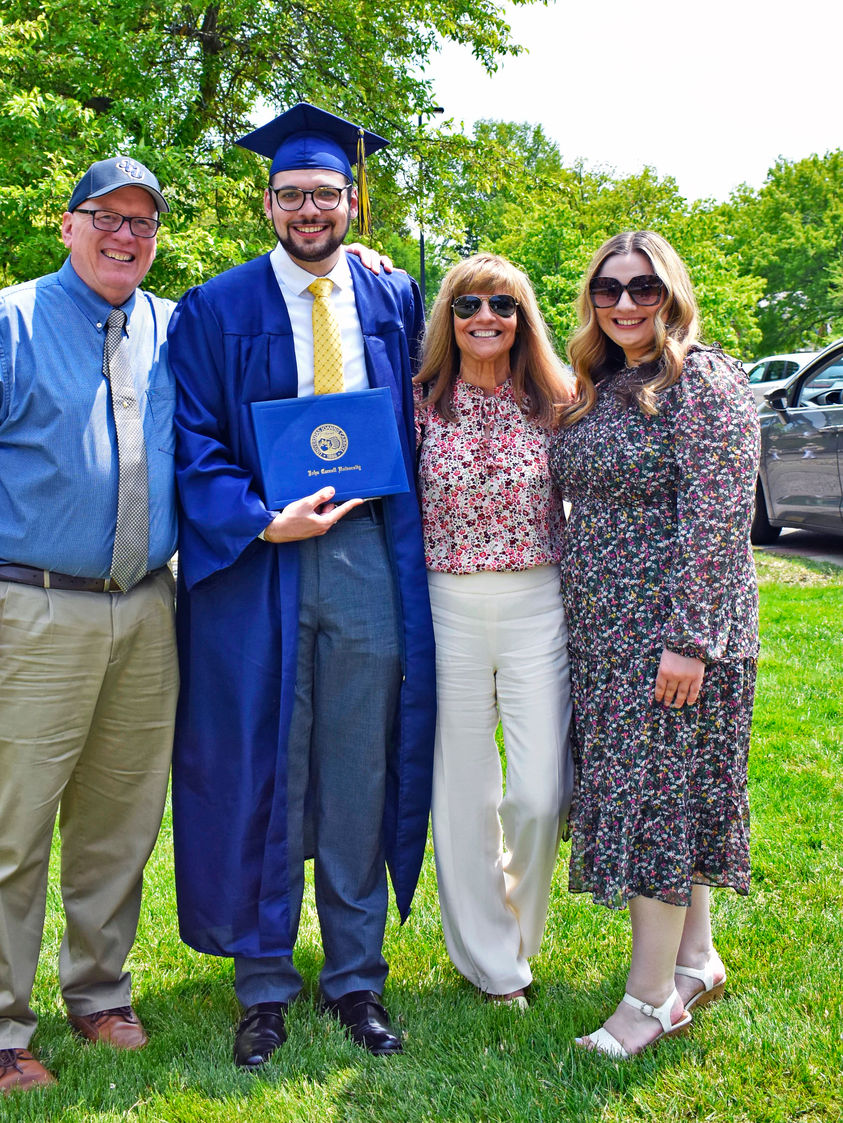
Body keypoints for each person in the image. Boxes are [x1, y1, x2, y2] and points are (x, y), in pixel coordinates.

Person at [167, 103, 436, 1069]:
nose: (309, 209)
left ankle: (355, 977)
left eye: (325, 194)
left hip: (367, 554)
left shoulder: (393, 297)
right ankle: (264, 984)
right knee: (265, 766)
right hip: (261, 563)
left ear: (351, 203)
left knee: (359, 763)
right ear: (268, 202)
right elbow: (188, 441)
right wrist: (255, 516)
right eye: (292, 195)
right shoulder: (216, 308)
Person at [0, 157, 178, 1091]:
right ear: (67, 225)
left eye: (142, 223)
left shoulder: (170, 328)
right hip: (29, 606)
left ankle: (99, 992)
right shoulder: (3, 324)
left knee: (120, 824)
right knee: (10, 830)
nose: (125, 236)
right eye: (106, 217)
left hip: (145, 610)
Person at [550, 230, 760, 1057]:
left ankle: (646, 1000)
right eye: (608, 289)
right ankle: (695, 960)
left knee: (656, 809)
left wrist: (688, 639)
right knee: (664, 801)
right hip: (607, 635)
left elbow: (715, 519)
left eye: (643, 288)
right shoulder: (601, 383)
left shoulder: (700, 380)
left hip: (675, 635)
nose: (626, 304)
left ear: (671, 292)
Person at [413, 254, 573, 1009]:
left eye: (502, 306)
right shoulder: (416, 403)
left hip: (537, 598)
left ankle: (515, 928)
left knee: (540, 792)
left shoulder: (557, 400)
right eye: (469, 303)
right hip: (444, 602)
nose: (485, 317)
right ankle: (492, 960)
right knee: (463, 789)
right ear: (449, 316)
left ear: (521, 318)